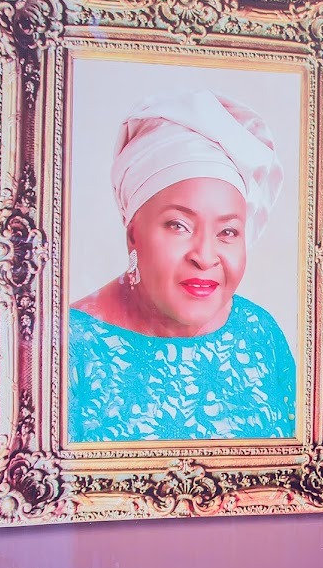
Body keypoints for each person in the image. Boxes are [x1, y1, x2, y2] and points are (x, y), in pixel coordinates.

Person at [68, 89, 295, 443]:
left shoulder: (259, 333)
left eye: (228, 231)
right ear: (133, 235)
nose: (205, 256)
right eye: (179, 225)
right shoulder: (65, 348)